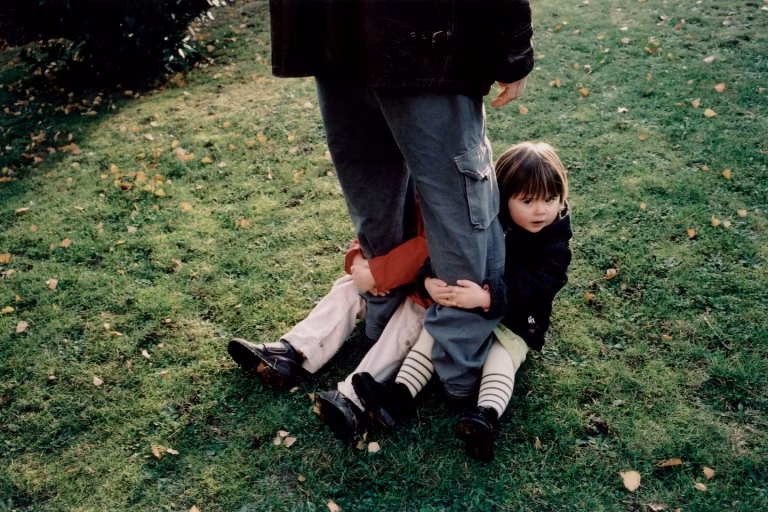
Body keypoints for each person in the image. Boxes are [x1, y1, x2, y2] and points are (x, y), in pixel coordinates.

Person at [268, 0, 536, 402]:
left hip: (403, 40)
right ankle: (312, 351)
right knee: (391, 204)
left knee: (445, 212)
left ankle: (441, 376)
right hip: (354, 36)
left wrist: (381, 271)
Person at [352, 142, 573, 461]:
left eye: (550, 199)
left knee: (502, 355)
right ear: (502, 196)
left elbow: (540, 285)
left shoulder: (554, 239)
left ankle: (485, 416)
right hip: (470, 306)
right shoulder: (486, 220)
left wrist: (488, 296)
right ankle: (396, 398)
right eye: (527, 201)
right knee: (433, 331)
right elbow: (449, 250)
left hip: (517, 318)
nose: (541, 210)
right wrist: (427, 280)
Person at [228, 200, 433, 441]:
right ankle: (291, 352)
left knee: (408, 322)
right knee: (348, 289)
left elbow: (429, 250)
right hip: (381, 281)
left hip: (421, 293)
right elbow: (372, 224)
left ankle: (351, 399)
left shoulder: (450, 198)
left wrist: (378, 275)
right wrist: (358, 262)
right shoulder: (404, 184)